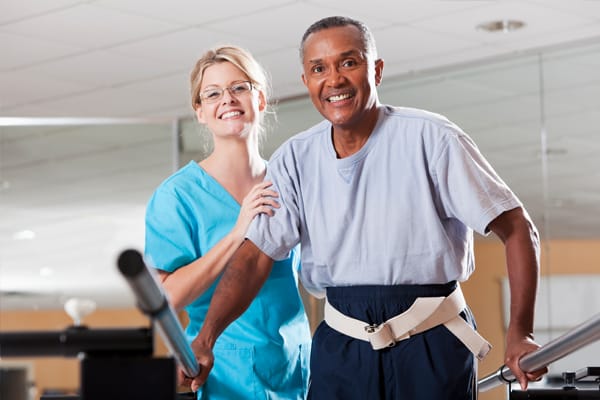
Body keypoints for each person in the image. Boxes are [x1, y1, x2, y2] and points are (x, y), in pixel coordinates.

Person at [189, 16, 547, 399]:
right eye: (319, 69)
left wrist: (520, 333)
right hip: (342, 348)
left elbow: (517, 228)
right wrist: (206, 338)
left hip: (431, 340)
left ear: (375, 70)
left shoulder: (432, 138)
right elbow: (256, 255)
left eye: (349, 62)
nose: (335, 79)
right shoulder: (295, 157)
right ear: (306, 82)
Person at [144, 45, 312, 400]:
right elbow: (167, 296)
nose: (228, 100)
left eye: (240, 87)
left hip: (297, 364)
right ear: (200, 111)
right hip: (224, 370)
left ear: (261, 99)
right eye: (213, 93)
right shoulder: (178, 196)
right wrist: (238, 232)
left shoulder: (288, 181)